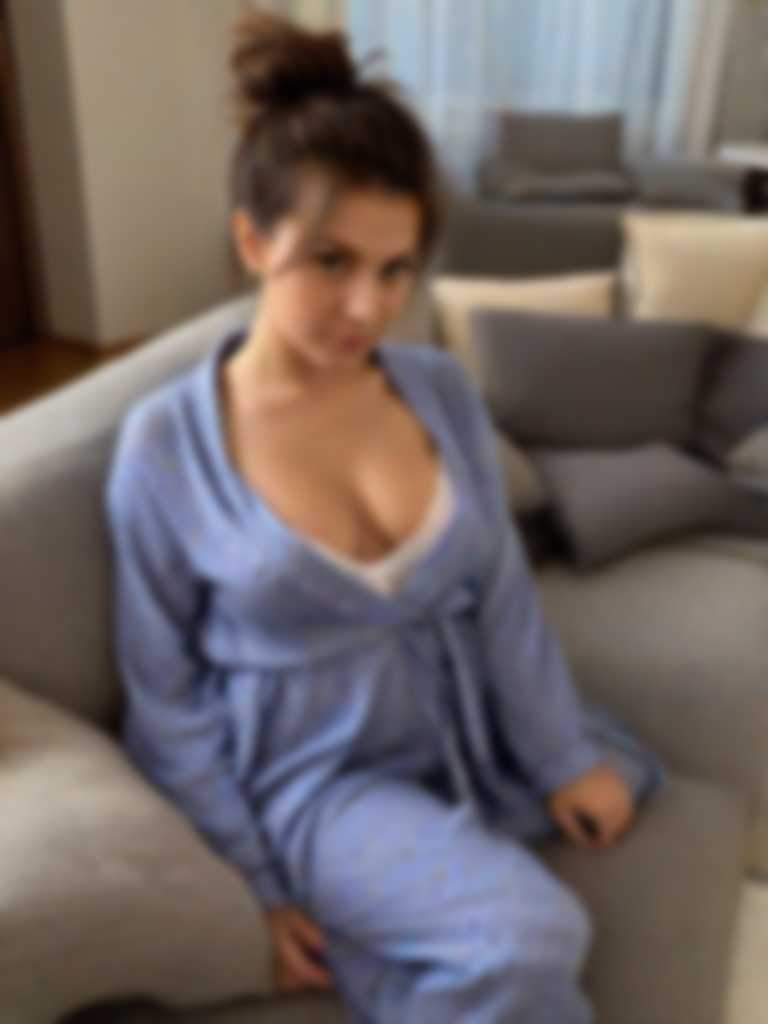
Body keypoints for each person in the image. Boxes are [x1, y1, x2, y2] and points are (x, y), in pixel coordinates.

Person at [104, 10, 667, 1022]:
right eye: (331, 261)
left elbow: (502, 595)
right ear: (252, 241)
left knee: (617, 795)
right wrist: (255, 879)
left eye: (395, 269)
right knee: (537, 938)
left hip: (468, 733)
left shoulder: (437, 389)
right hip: (319, 779)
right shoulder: (166, 447)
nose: (367, 307)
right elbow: (165, 697)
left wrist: (559, 756)